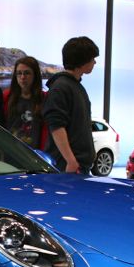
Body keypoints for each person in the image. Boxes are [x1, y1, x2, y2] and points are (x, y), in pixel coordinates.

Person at [43, 36, 99, 173]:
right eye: (92, 58)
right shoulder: (61, 87)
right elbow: (56, 125)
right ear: (83, 60)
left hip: (76, 166)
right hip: (68, 167)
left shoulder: (74, 86)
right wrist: (71, 161)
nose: (95, 62)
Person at [3, 55, 46, 149]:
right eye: (19, 73)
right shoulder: (6, 97)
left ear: (35, 75)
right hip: (9, 150)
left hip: (33, 154)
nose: (22, 77)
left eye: (27, 73)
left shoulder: (44, 99)